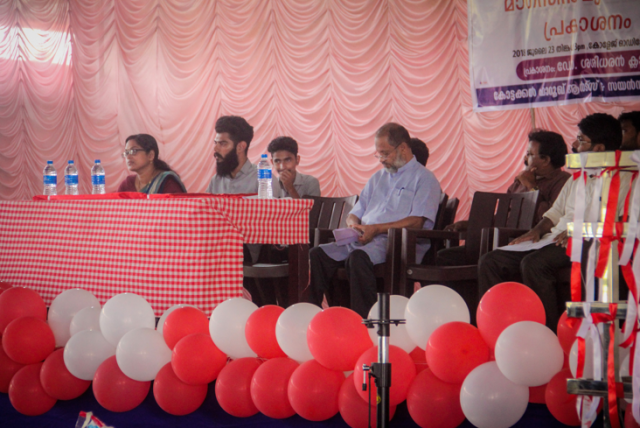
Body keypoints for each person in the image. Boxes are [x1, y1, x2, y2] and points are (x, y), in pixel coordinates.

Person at [477, 113, 624, 331]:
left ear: (599, 148)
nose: (574, 146)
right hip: (554, 238)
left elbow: (618, 222)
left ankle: (548, 331)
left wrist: (579, 230)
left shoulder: (624, 179)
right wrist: (536, 231)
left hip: (588, 242)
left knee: (534, 264)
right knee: (490, 261)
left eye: (581, 140)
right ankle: (497, 329)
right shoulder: (578, 178)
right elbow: (554, 213)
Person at [306, 123, 441, 317]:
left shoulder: (424, 178)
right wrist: (353, 226)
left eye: (385, 154)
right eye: (378, 154)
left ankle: (366, 321)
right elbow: (355, 213)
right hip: (363, 238)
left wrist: (376, 229)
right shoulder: (377, 178)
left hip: (396, 244)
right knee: (317, 254)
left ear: (403, 148)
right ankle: (316, 316)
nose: (381, 160)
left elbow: (417, 221)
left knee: (357, 259)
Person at [437, 130, 571, 266]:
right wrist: (469, 224)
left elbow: (550, 218)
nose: (525, 158)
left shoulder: (562, 181)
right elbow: (504, 216)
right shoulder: (520, 181)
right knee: (443, 256)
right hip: (499, 239)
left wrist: (532, 186)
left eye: (530, 154)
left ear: (546, 160)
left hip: (527, 244)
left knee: (489, 260)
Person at [117, 134, 187, 194]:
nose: (128, 157)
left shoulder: (167, 183)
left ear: (151, 155)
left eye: (133, 151)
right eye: (126, 152)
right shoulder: (127, 184)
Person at [206, 116, 257, 194]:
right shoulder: (216, 180)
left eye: (222, 143)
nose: (215, 149)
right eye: (216, 143)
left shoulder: (263, 180)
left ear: (240, 147)